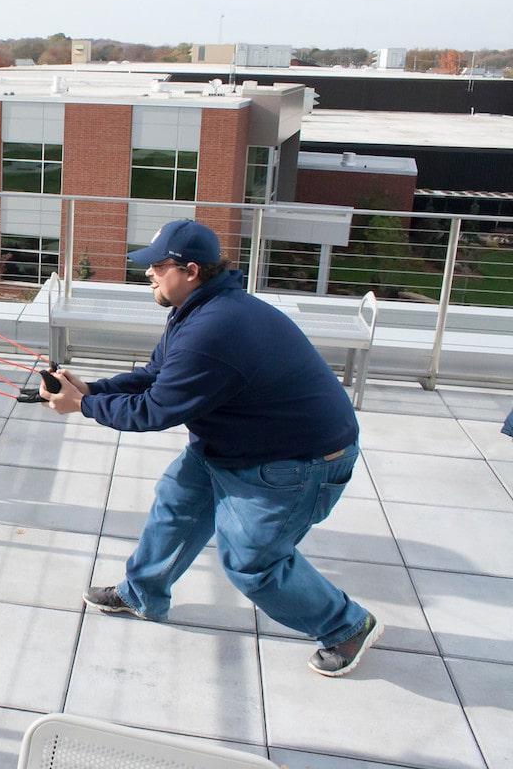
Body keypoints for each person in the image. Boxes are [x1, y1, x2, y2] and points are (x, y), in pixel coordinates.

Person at [41, 219, 380, 677]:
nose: (149, 274)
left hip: (296, 462)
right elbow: (158, 374)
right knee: (175, 506)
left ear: (191, 269)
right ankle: (143, 594)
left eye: (158, 266)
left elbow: (155, 411)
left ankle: (346, 626)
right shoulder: (198, 309)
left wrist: (84, 406)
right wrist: (94, 388)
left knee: (251, 563)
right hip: (236, 441)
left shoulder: (213, 329)